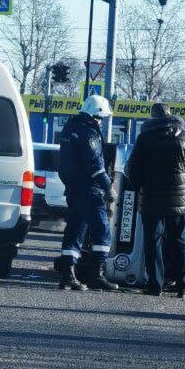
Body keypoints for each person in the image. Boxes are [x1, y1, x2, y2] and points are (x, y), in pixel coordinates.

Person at [125, 102, 185, 298]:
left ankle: (155, 286)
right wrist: (183, 185)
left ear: (152, 117)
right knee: (179, 241)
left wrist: (139, 186)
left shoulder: (145, 138)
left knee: (153, 241)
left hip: (151, 198)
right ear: (170, 115)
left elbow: (133, 170)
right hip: (178, 200)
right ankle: (183, 287)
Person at [56, 94, 117, 292]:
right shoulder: (89, 132)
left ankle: (68, 275)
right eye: (101, 118)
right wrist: (108, 187)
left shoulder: (70, 127)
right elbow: (95, 164)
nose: (101, 122)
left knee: (74, 230)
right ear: (95, 115)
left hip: (72, 188)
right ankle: (96, 276)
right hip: (88, 189)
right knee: (102, 231)